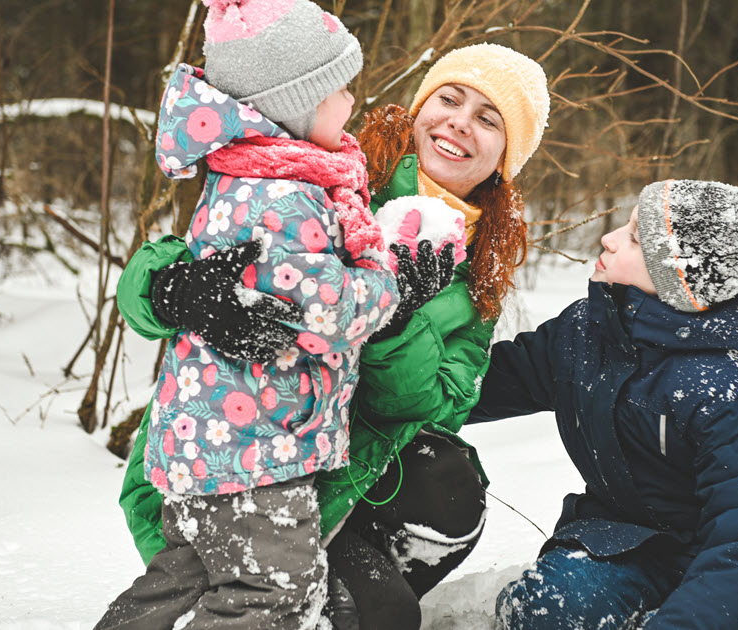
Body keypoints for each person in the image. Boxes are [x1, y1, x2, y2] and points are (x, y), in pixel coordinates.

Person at [114, 43, 551, 629]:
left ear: (507, 156)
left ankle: (303, 590)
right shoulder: (336, 169)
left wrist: (398, 320)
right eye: (449, 99)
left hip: (329, 481)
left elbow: (440, 406)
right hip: (220, 458)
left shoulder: (476, 272)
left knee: (404, 574)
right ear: (421, 107)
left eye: (487, 118)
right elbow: (177, 256)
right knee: (264, 598)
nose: (458, 123)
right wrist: (174, 290)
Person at [93, 1, 400, 628]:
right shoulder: (284, 196)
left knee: (186, 577)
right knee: (272, 593)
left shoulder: (249, 174)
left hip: (216, 444)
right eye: (341, 89)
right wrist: (387, 280)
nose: (351, 104)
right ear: (295, 102)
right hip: (255, 450)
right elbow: (328, 313)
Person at [470, 180, 738, 629]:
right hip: (617, 544)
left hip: (719, 555)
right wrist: (390, 379)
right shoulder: (582, 333)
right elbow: (477, 386)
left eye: (636, 238)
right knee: (545, 605)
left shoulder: (719, 385)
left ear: (678, 281)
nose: (609, 238)